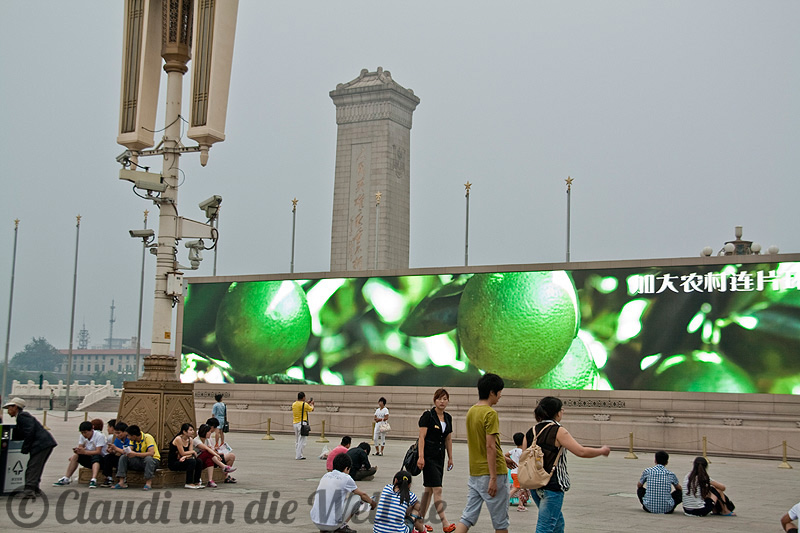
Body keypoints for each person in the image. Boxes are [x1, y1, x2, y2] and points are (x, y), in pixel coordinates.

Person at [522, 396, 610, 533]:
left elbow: (525, 459)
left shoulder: (531, 431)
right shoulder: (558, 430)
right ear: (557, 412)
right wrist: (602, 451)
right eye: (561, 410)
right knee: (545, 527)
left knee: (557, 524)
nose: (562, 412)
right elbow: (581, 451)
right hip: (552, 486)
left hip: (534, 485)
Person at [453, 373, 516, 533]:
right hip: (492, 474)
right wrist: (493, 478)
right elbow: (489, 446)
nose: (500, 396)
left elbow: (480, 444)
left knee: (467, 518)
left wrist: (503, 457)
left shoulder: (472, 412)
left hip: (475, 474)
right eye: (499, 392)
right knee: (501, 523)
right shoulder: (490, 413)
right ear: (491, 392)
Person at [416, 388, 455, 532]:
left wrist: (450, 457)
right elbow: (422, 437)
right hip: (428, 457)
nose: (442, 402)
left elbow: (448, 438)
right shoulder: (428, 416)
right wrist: (420, 456)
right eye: (440, 399)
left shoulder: (448, 417)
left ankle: (419, 521)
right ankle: (445, 523)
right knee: (437, 488)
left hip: (440, 457)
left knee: (429, 491)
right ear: (434, 400)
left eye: (445, 399)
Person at [3, 397, 57, 499]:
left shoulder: (22, 416)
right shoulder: (21, 417)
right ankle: (35, 488)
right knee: (36, 466)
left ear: (15, 407)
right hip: (45, 443)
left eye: (9, 407)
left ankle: (29, 491)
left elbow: (29, 431)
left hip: (41, 444)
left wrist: (25, 448)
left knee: (33, 467)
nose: (8, 410)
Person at [310, 452, 377, 533]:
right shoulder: (346, 478)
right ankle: (342, 526)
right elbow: (363, 495)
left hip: (316, 521)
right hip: (332, 524)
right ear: (346, 468)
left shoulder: (326, 476)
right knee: (357, 498)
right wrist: (372, 503)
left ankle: (326, 529)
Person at [53, 420, 108, 489]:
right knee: (76, 456)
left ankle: (93, 479)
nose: (84, 435)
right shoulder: (82, 436)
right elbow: (80, 447)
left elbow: (98, 451)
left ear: (91, 430)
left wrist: (85, 452)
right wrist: (78, 451)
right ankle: (67, 477)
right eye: (82, 433)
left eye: (85, 432)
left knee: (96, 457)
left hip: (102, 459)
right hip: (89, 457)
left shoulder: (99, 436)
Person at [112, 424, 161, 491]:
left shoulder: (147, 437)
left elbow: (151, 453)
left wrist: (135, 454)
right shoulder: (132, 440)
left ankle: (148, 483)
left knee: (148, 459)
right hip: (139, 460)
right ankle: (121, 482)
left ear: (134, 436)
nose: (127, 437)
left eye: (128, 436)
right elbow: (130, 449)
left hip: (153, 461)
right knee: (123, 457)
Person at [168, 422, 204, 489]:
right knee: (192, 462)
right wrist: (191, 452)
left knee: (198, 461)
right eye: (190, 430)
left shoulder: (190, 439)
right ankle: (189, 482)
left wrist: (185, 456)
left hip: (183, 459)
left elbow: (189, 453)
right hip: (175, 462)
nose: (192, 432)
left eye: (193, 430)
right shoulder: (178, 439)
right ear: (184, 431)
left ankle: (196, 481)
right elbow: (182, 453)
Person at [505, 432, 529, 513]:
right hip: (519, 473)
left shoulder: (514, 450)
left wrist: (510, 460)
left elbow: (506, 455)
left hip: (513, 472)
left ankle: (520, 504)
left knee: (518, 488)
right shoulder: (522, 451)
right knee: (517, 488)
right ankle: (520, 505)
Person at [101, 421, 129, 487]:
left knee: (122, 459)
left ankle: (123, 479)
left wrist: (115, 448)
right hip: (119, 456)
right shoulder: (117, 439)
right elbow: (116, 450)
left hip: (127, 458)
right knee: (108, 457)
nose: (117, 435)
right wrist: (111, 450)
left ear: (125, 432)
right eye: (115, 433)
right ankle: (109, 477)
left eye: (119, 433)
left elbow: (127, 452)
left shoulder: (129, 439)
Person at [292, 392, 314, 460]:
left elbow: (302, 406)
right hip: (302, 424)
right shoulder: (304, 404)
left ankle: (299, 454)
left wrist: (307, 403)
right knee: (302, 440)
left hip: (295, 423)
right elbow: (311, 409)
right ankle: (298, 455)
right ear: (303, 397)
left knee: (297, 440)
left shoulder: (294, 404)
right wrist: (312, 404)